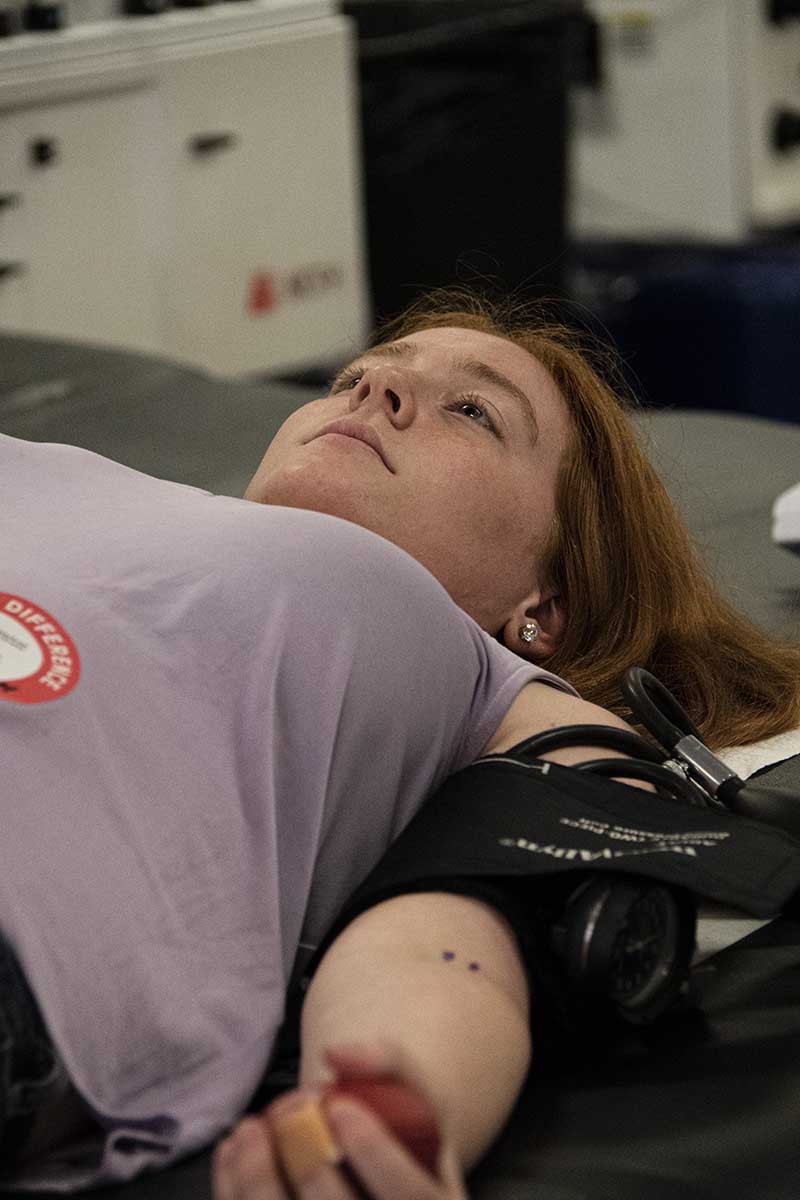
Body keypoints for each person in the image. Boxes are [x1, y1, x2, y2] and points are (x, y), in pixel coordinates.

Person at [1, 285, 798, 1199]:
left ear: (545, 602)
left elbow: (471, 924)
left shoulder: (474, 675)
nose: (373, 385)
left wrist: (384, 1106)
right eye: (355, 374)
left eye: (473, 410)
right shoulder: (72, 477)